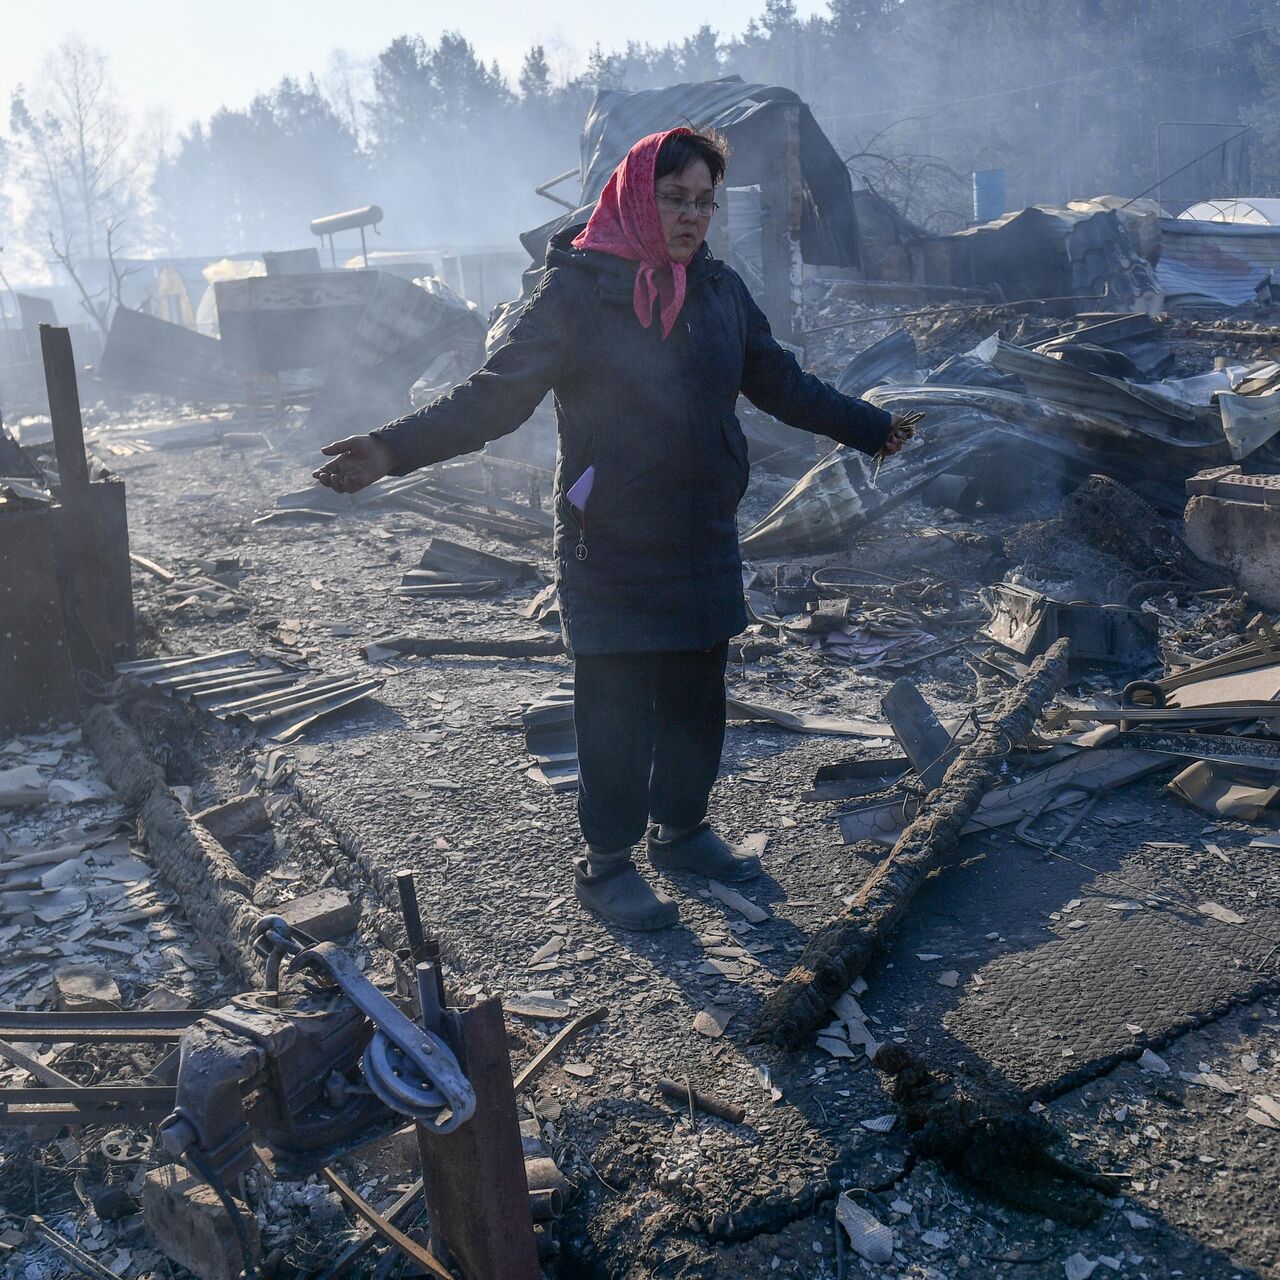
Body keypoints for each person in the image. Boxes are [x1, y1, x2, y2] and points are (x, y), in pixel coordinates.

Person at [314, 126, 912, 932]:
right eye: (675, 198)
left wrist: (869, 427)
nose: (691, 216)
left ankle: (685, 832)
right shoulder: (578, 295)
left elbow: (783, 384)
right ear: (637, 195)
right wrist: (392, 448)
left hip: (701, 530)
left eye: (704, 201)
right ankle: (605, 867)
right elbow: (496, 395)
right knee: (618, 710)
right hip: (611, 539)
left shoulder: (719, 292)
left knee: (699, 701)